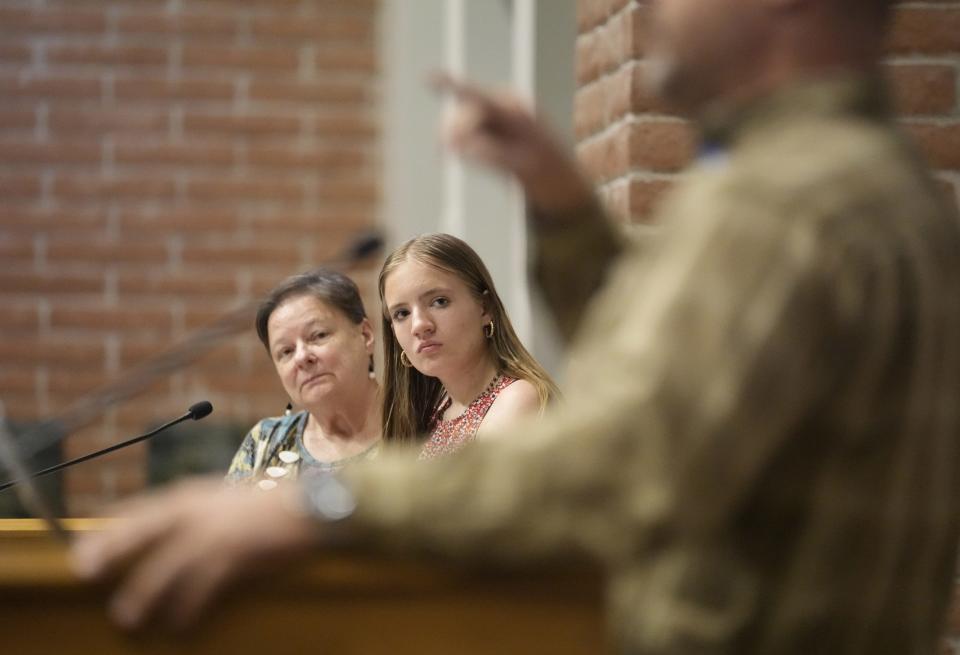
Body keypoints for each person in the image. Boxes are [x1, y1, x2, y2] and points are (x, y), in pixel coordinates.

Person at [72, 1, 960, 653]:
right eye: (404, 311)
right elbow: (666, 379)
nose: (649, 15)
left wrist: (321, 507)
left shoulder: (785, 205)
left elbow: (622, 458)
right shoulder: (869, 184)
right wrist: (564, 207)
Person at [378, 233, 558, 458]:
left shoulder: (517, 399)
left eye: (439, 302)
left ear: (485, 308)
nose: (419, 325)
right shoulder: (433, 411)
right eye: (402, 313)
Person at [225, 268, 381, 487]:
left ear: (365, 335)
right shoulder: (266, 442)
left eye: (318, 336)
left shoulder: (423, 424)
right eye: (286, 351)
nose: (301, 357)